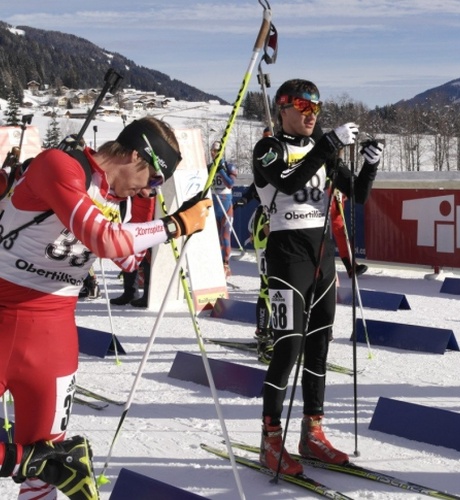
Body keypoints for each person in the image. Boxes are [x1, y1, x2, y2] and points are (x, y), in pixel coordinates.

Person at [0, 116, 212, 499]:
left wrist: (153, 209)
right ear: (135, 155)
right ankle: (29, 462)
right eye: (153, 179)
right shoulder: (60, 165)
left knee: (44, 476)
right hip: (4, 314)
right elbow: (105, 240)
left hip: (52, 337)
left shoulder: (121, 201)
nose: (148, 190)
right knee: (45, 463)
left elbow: (129, 261)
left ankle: (38, 466)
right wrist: (174, 225)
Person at [252, 79, 381, 475]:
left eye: (316, 109)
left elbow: (357, 193)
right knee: (287, 348)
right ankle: (270, 439)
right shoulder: (269, 149)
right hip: (287, 258)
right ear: (284, 109)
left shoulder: (321, 151)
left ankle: (312, 433)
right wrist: (328, 145)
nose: (311, 115)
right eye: (303, 107)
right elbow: (289, 181)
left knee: (319, 346)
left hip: (322, 257)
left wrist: (371, 164)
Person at [235, 182, 273, 364]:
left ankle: (280, 331)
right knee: (267, 285)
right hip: (266, 223)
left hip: (284, 221)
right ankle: (263, 334)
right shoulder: (270, 167)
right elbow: (257, 182)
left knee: (285, 286)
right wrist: (245, 198)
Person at [110, 195, 157, 307]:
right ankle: (130, 292)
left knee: (147, 255)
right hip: (130, 206)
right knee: (128, 250)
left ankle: (148, 295)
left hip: (146, 213)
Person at [209, 140, 238, 277]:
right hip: (213, 206)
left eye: (216, 150)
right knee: (214, 238)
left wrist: (220, 170)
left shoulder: (229, 166)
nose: (214, 153)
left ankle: (226, 264)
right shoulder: (209, 167)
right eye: (212, 150)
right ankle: (216, 264)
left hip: (226, 207)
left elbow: (230, 184)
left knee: (225, 236)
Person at [330, 189, 368, 278]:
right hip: (319, 198)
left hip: (335, 196)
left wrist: (344, 192)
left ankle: (351, 266)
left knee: (341, 232)